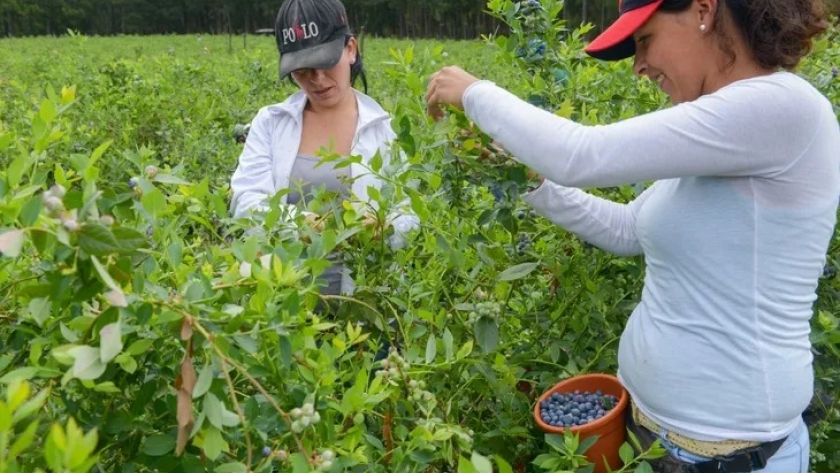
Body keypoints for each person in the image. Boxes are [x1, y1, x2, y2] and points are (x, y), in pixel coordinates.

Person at [426, 0, 839, 472]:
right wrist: (526, 179)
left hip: (736, 459)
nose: (639, 66)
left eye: (645, 40)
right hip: (645, 442)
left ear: (704, 9)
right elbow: (626, 229)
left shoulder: (781, 106)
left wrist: (475, 92)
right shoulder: (716, 135)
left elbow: (582, 155)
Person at [230, 0, 418, 307]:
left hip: (365, 307)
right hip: (281, 308)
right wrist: (302, 223)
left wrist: (384, 227)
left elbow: (410, 212)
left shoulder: (383, 130)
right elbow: (245, 204)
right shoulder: (270, 123)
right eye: (302, 71)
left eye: (325, 63)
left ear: (350, 49)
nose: (316, 80)